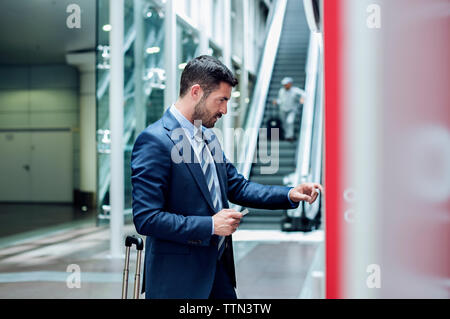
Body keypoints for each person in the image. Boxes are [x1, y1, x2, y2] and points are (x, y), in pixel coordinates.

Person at [131, 55, 323, 299]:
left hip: (218, 274)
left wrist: (289, 194)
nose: (224, 110)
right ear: (196, 92)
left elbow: (238, 187)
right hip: (178, 281)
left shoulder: (209, 137)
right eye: (221, 100)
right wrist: (210, 225)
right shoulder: (155, 140)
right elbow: (147, 218)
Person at [272, 77, 306, 142]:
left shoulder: (295, 90)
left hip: (292, 109)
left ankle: (290, 136)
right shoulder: (281, 91)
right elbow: (281, 100)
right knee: (284, 123)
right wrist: (276, 102)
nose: (285, 86)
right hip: (283, 109)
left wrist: (302, 98)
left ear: (290, 84)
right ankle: (286, 135)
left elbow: (303, 93)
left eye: (286, 84)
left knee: (289, 121)